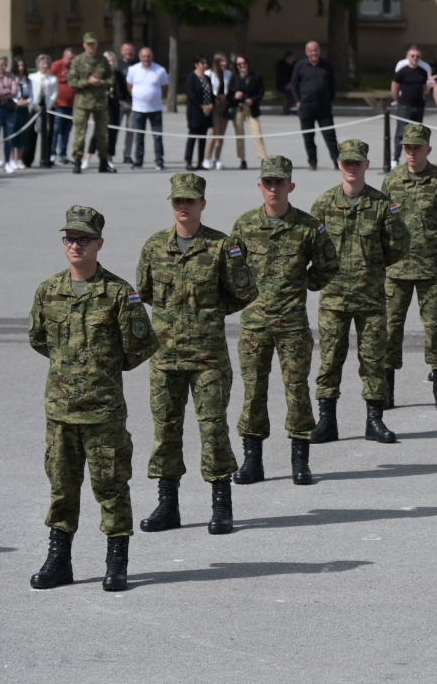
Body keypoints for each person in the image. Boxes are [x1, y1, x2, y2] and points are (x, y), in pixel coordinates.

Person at [28, 206, 159, 592]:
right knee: (61, 488)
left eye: (84, 238)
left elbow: (139, 347)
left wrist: (98, 372)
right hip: (61, 411)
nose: (75, 244)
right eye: (69, 237)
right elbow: (39, 340)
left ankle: (116, 562)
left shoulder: (120, 294)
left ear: (99, 243)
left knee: (112, 487)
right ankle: (59, 560)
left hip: (103, 413)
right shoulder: (48, 290)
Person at [135, 173, 258, 537]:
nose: (183, 206)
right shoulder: (154, 246)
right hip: (166, 357)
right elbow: (145, 291)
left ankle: (221, 505)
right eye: (178, 201)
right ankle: (167, 505)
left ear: (203, 203)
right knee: (165, 431)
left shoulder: (222, 246)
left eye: (190, 200)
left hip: (207, 358)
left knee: (213, 429)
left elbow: (243, 292)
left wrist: (207, 315)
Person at [230, 156, 339, 488]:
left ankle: (300, 461)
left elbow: (328, 265)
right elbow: (231, 268)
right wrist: (245, 295)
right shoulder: (245, 224)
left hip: (292, 324)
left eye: (279, 182)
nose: (273, 188)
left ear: (290, 186)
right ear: (260, 186)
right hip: (254, 325)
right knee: (253, 393)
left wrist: (304, 285)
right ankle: (253, 460)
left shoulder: (308, 226)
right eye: (268, 182)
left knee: (297, 391)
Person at [309, 139, 410, 444]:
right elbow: (314, 248)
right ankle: (327, 421)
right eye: (346, 163)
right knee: (329, 361)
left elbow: (398, 246)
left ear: (367, 165)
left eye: (357, 163)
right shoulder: (324, 204)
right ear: (339, 165)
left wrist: (372, 267)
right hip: (334, 298)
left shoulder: (382, 205)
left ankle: (374, 420)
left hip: (370, 297)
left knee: (373, 361)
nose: (352, 168)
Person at [381, 124, 437, 409]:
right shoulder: (391, 181)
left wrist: (430, 238)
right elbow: (381, 224)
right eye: (407, 147)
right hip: (396, 269)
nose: (412, 152)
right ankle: (387, 387)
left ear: (429, 149)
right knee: (391, 328)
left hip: (431, 268)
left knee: (436, 328)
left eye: (417, 147)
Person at [67, 33, 115, 175]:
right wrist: (87, 82)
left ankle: (103, 163)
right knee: (80, 134)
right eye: (88, 44)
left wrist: (101, 83)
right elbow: (71, 81)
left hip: (100, 102)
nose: (91, 47)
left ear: (97, 45)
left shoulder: (102, 61)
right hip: (83, 102)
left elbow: (111, 79)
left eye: (93, 44)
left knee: (101, 133)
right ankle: (77, 162)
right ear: (84, 45)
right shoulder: (78, 60)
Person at [291, 41, 339, 171]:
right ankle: (313, 162)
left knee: (330, 135)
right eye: (311, 51)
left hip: (323, 106)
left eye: (316, 50)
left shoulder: (326, 65)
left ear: (319, 51)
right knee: (308, 137)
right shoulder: (300, 66)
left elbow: (332, 84)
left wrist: (331, 99)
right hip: (306, 106)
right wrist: (297, 101)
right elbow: (294, 85)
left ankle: (337, 162)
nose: (314, 53)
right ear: (307, 52)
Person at [126, 47, 168, 171]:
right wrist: (139, 96)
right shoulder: (133, 69)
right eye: (144, 56)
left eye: (148, 56)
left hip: (155, 108)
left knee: (157, 136)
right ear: (140, 57)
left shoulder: (159, 70)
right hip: (138, 108)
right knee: (139, 136)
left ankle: (159, 161)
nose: (146, 59)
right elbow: (130, 86)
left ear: (152, 57)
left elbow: (165, 87)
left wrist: (155, 96)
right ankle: (138, 161)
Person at [392, 46, 430, 164]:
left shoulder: (423, 72)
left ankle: (416, 159)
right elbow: (394, 88)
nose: (415, 58)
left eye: (417, 56)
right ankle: (395, 159)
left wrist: (430, 86)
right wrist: (398, 101)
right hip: (405, 106)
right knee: (400, 134)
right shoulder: (402, 72)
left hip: (419, 106)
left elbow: (425, 90)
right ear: (407, 57)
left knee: (417, 134)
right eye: (412, 56)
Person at [85, 51, 121, 172]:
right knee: (97, 132)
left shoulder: (118, 74)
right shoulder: (98, 75)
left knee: (112, 133)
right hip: (100, 106)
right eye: (108, 60)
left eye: (112, 60)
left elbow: (122, 92)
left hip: (114, 107)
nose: (110, 63)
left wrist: (120, 100)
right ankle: (87, 158)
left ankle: (109, 159)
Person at [228, 54, 266, 169]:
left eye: (244, 63)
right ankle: (242, 159)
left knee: (257, 133)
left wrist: (253, 100)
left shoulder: (255, 76)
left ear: (247, 64)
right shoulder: (234, 77)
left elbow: (261, 92)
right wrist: (235, 95)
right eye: (239, 64)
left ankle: (263, 158)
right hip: (238, 108)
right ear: (236, 66)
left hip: (251, 109)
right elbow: (229, 95)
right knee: (239, 135)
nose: (242, 66)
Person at [0, 55, 20, 174]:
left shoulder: (11, 76)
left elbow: (15, 92)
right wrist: (7, 91)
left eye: (5, 64)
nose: (3, 67)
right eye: (1, 64)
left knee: (8, 137)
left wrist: (2, 93)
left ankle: (7, 162)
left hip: (9, 109)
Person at [202, 53, 231, 170]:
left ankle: (217, 159)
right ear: (216, 62)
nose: (224, 64)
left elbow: (231, 89)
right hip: (213, 106)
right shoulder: (209, 74)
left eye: (225, 61)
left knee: (221, 136)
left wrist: (226, 96)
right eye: (221, 61)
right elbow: (206, 90)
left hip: (224, 106)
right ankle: (207, 159)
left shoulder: (229, 74)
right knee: (213, 134)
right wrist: (214, 99)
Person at [184, 55, 213, 171]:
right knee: (193, 136)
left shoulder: (207, 78)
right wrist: (202, 107)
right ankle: (189, 161)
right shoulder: (191, 78)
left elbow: (210, 94)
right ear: (196, 64)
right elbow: (191, 95)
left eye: (206, 63)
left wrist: (212, 104)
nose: (205, 65)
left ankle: (200, 162)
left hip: (207, 113)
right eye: (203, 63)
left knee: (203, 137)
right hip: (195, 112)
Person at [29, 54, 58, 168]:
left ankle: (45, 159)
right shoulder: (32, 77)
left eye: (46, 63)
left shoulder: (53, 78)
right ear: (38, 65)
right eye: (42, 63)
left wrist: (48, 106)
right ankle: (28, 159)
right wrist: (36, 106)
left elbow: (55, 93)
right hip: (35, 106)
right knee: (32, 133)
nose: (44, 66)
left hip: (48, 107)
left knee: (48, 133)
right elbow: (30, 93)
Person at [50, 47, 76, 165]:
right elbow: (50, 80)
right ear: (64, 56)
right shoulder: (57, 65)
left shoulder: (75, 67)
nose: (71, 61)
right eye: (69, 58)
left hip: (71, 105)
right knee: (55, 130)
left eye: (73, 59)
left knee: (66, 131)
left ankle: (63, 155)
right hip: (59, 105)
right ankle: (52, 154)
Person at [9, 56, 32, 172]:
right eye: (18, 66)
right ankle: (12, 159)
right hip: (14, 109)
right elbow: (10, 94)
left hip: (24, 109)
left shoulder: (28, 80)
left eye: (22, 65)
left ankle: (19, 158)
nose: (21, 68)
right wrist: (16, 102)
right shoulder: (12, 80)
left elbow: (31, 95)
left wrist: (27, 102)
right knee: (14, 133)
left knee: (23, 134)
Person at [116, 42, 136, 163]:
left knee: (131, 130)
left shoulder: (138, 65)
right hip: (119, 102)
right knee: (115, 129)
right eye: (126, 50)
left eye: (130, 50)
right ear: (122, 52)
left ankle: (127, 154)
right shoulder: (117, 65)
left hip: (134, 102)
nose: (128, 52)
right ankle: (110, 154)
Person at [274, 51, 295, 115]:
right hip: (283, 84)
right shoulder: (280, 65)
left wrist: (292, 83)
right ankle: (290, 108)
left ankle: (293, 107)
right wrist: (288, 83)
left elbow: (297, 75)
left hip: (292, 84)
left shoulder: (295, 64)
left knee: (295, 90)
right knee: (288, 92)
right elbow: (280, 76)